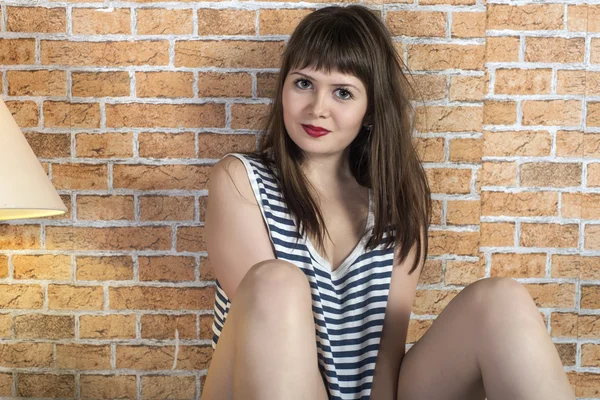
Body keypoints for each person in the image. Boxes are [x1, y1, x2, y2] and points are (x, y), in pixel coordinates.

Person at [202, 5, 576, 400]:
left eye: (342, 92)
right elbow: (270, 342)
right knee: (276, 283)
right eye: (303, 83)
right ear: (283, 88)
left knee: (501, 300)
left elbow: (385, 355)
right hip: (272, 385)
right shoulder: (241, 181)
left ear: (370, 111)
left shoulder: (394, 204)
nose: (317, 108)